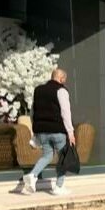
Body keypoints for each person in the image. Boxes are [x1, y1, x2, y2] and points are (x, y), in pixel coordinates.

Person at [20, 68, 76, 196]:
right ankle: (58, 187)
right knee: (63, 158)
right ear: (61, 78)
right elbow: (65, 112)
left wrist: (35, 129)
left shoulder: (38, 90)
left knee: (47, 156)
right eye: (64, 80)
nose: (64, 83)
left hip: (42, 131)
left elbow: (33, 111)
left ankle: (32, 175)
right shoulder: (61, 90)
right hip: (57, 130)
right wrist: (71, 132)